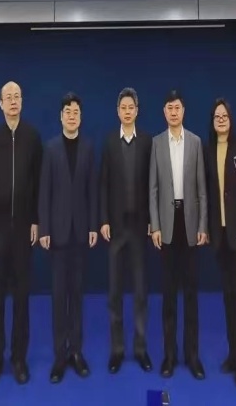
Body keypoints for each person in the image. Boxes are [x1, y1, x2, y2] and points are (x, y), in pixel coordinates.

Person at [0, 81, 42, 389]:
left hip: (23, 231)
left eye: (17, 96)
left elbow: (38, 184)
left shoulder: (32, 138)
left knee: (22, 299)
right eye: (8, 98)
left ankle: (18, 359)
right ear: (0, 104)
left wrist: (36, 221)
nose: (13, 101)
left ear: (22, 102)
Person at [39, 92, 98, 384]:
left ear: (80, 117)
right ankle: (59, 356)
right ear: (61, 117)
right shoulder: (50, 148)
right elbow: (44, 192)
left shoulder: (88, 148)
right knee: (58, 295)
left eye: (76, 112)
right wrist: (44, 229)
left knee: (77, 294)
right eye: (67, 112)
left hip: (81, 232)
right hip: (58, 233)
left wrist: (93, 226)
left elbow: (92, 190)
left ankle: (76, 351)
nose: (72, 116)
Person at [149, 90, 207, 380]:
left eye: (178, 108)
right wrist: (155, 225)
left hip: (191, 224)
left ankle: (192, 356)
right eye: (169, 108)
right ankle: (169, 356)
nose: (174, 112)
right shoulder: (156, 143)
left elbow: (202, 190)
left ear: (184, 111)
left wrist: (203, 226)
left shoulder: (195, 142)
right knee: (169, 295)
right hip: (167, 225)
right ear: (164, 112)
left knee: (191, 295)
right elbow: (153, 189)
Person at [99, 88, 153, 374]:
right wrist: (104, 220)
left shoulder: (147, 142)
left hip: (140, 227)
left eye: (132, 107)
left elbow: (153, 184)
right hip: (116, 228)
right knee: (115, 292)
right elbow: (103, 183)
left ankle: (140, 349)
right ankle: (117, 349)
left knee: (141, 291)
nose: (128, 111)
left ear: (137, 111)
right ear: (118, 111)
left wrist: (153, 221)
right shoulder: (109, 142)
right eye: (123, 107)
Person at [204, 98, 236, 388]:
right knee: (227, 297)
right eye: (216, 116)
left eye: (225, 115)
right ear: (212, 122)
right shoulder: (208, 150)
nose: (221, 119)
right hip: (219, 236)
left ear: (231, 120)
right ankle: (233, 355)